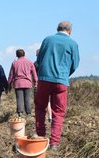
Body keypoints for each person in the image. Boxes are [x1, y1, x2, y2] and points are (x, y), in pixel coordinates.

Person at [35, 21, 80, 150]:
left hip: (44, 78)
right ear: (70, 31)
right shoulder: (73, 43)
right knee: (58, 113)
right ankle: (54, 143)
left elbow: (39, 59)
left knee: (40, 108)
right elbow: (75, 64)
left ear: (57, 29)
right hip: (61, 81)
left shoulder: (47, 40)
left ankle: (40, 137)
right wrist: (65, 74)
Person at [8, 49, 38, 118]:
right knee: (27, 99)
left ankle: (20, 113)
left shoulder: (14, 63)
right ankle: (28, 114)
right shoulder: (29, 62)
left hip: (18, 83)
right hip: (27, 83)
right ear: (24, 54)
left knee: (19, 99)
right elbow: (34, 73)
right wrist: (36, 82)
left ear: (16, 55)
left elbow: (11, 75)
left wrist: (9, 83)